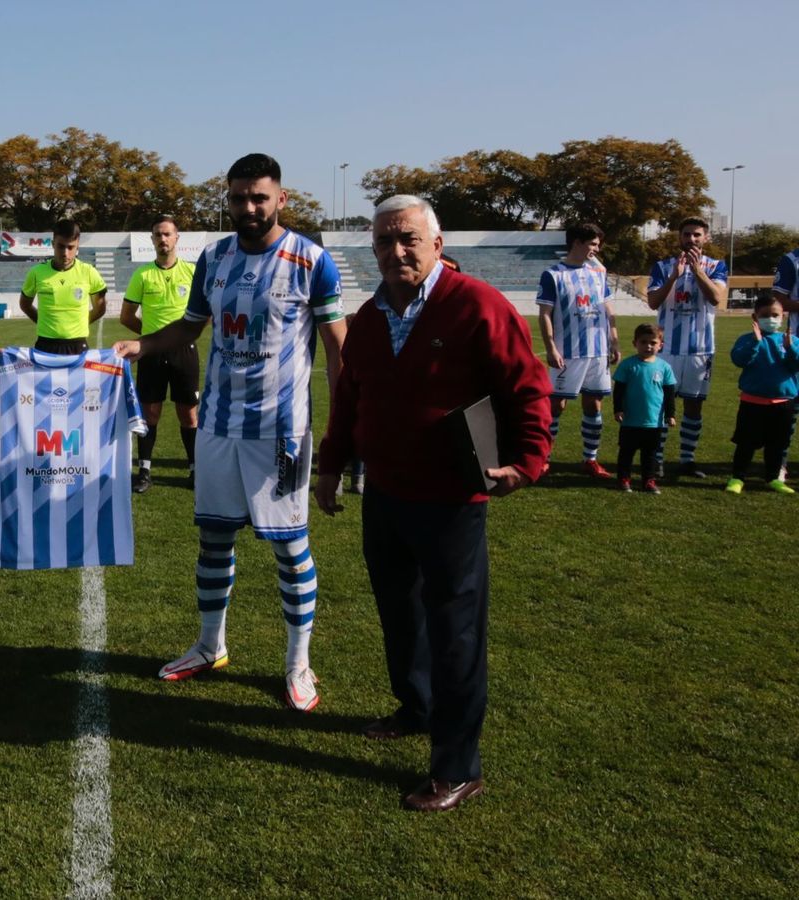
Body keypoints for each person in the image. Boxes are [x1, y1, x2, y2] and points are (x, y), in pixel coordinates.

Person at [315, 195, 551, 812]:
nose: (396, 252)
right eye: (385, 242)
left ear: (437, 244)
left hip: (450, 498)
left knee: (455, 631)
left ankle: (458, 766)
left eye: (408, 240)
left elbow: (528, 389)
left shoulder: (478, 305)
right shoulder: (369, 318)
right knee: (400, 613)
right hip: (386, 494)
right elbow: (350, 401)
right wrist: (331, 465)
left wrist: (527, 462)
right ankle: (415, 707)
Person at [113, 153, 345, 712]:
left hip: (280, 433)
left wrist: (342, 433)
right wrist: (140, 345)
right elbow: (192, 326)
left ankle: (297, 663)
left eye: (259, 197)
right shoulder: (214, 257)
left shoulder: (312, 261)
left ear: (281, 199)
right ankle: (209, 645)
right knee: (214, 539)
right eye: (239, 197)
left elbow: (339, 349)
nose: (249, 207)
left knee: (290, 548)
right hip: (217, 425)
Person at [119, 216, 198, 493]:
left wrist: (180, 336)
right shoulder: (142, 275)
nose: (162, 239)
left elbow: (205, 315)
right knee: (149, 413)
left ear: (177, 238)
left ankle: (194, 470)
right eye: (157, 235)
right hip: (152, 354)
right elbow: (126, 316)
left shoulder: (192, 272)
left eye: (167, 234)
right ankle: (144, 472)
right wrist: (153, 339)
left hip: (184, 352)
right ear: (152, 240)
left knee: (188, 414)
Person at [645, 217, 727, 478]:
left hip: (699, 349)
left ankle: (687, 460)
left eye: (697, 235)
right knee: (659, 405)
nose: (691, 239)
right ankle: (655, 459)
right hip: (666, 349)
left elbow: (716, 299)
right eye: (687, 234)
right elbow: (653, 302)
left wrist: (697, 270)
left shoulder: (716, 266)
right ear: (679, 237)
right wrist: (674, 277)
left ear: (706, 238)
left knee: (693, 406)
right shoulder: (662, 266)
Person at [537, 222, 618, 479]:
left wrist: (613, 341)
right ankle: (543, 458)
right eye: (593, 243)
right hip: (567, 352)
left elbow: (607, 309)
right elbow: (545, 314)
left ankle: (590, 459)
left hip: (597, 351)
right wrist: (550, 346)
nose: (596, 248)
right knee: (555, 405)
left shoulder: (598, 273)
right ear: (576, 242)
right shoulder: (553, 274)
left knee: (594, 404)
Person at [725, 296, 799, 495]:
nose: (771, 319)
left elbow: (796, 365)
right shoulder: (746, 340)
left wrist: (791, 348)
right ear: (755, 317)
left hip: (783, 404)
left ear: (782, 316)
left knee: (777, 445)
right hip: (753, 402)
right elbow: (739, 360)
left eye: (775, 315)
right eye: (765, 315)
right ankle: (737, 478)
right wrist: (755, 343)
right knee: (745, 444)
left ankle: (773, 478)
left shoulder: (791, 340)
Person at [20, 219, 106, 354]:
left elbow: (100, 308)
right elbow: (25, 305)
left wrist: (80, 322)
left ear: (77, 246)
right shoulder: (36, 272)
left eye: (71, 247)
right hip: (45, 345)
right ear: (53, 243)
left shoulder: (89, 272)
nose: (65, 253)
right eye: (61, 246)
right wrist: (43, 321)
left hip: (77, 345)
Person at [611, 323, 677, 493]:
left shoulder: (664, 367)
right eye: (643, 342)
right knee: (626, 453)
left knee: (650, 455)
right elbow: (618, 390)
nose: (648, 346)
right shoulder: (628, 365)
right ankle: (624, 479)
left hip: (654, 422)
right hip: (630, 420)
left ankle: (649, 481)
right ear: (635, 343)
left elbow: (669, 394)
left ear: (660, 345)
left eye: (653, 343)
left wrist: (670, 414)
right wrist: (618, 409)